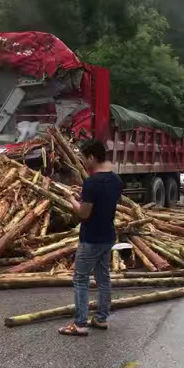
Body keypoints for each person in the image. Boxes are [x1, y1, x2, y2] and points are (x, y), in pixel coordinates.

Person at [59, 139, 123, 337]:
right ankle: (101, 318)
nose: (83, 162)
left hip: (91, 239)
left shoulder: (92, 182)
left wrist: (70, 199)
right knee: (103, 278)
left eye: (84, 158)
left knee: (81, 279)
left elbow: (84, 214)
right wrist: (84, 195)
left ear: (92, 157)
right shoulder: (116, 180)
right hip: (108, 236)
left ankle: (79, 324)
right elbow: (102, 203)